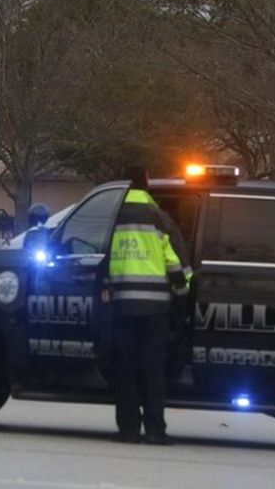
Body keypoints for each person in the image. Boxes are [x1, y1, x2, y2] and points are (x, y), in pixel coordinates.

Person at [105, 167, 191, 445]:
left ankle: (128, 430)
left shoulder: (112, 216)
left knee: (124, 371)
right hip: (155, 310)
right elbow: (175, 261)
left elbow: (98, 257)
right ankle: (155, 430)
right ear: (146, 185)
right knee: (154, 372)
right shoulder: (159, 217)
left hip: (120, 309)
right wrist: (182, 291)